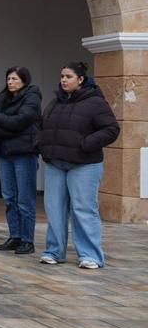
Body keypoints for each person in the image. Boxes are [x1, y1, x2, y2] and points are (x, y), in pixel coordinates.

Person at [38, 61, 120, 268]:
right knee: (54, 209)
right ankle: (54, 251)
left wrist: (86, 144)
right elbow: (42, 127)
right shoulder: (55, 102)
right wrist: (41, 146)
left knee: (83, 209)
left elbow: (111, 129)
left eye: (69, 77)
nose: (64, 80)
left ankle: (90, 255)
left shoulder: (96, 102)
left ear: (81, 79)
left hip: (84, 164)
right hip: (55, 163)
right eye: (62, 76)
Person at [0, 67, 41, 255]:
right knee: (9, 197)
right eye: (8, 78)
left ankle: (27, 240)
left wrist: (1, 119)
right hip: (5, 153)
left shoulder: (32, 97)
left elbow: (20, 121)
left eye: (14, 79)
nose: (10, 82)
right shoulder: (2, 99)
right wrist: (7, 126)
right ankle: (15, 236)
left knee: (25, 198)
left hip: (24, 153)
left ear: (24, 80)